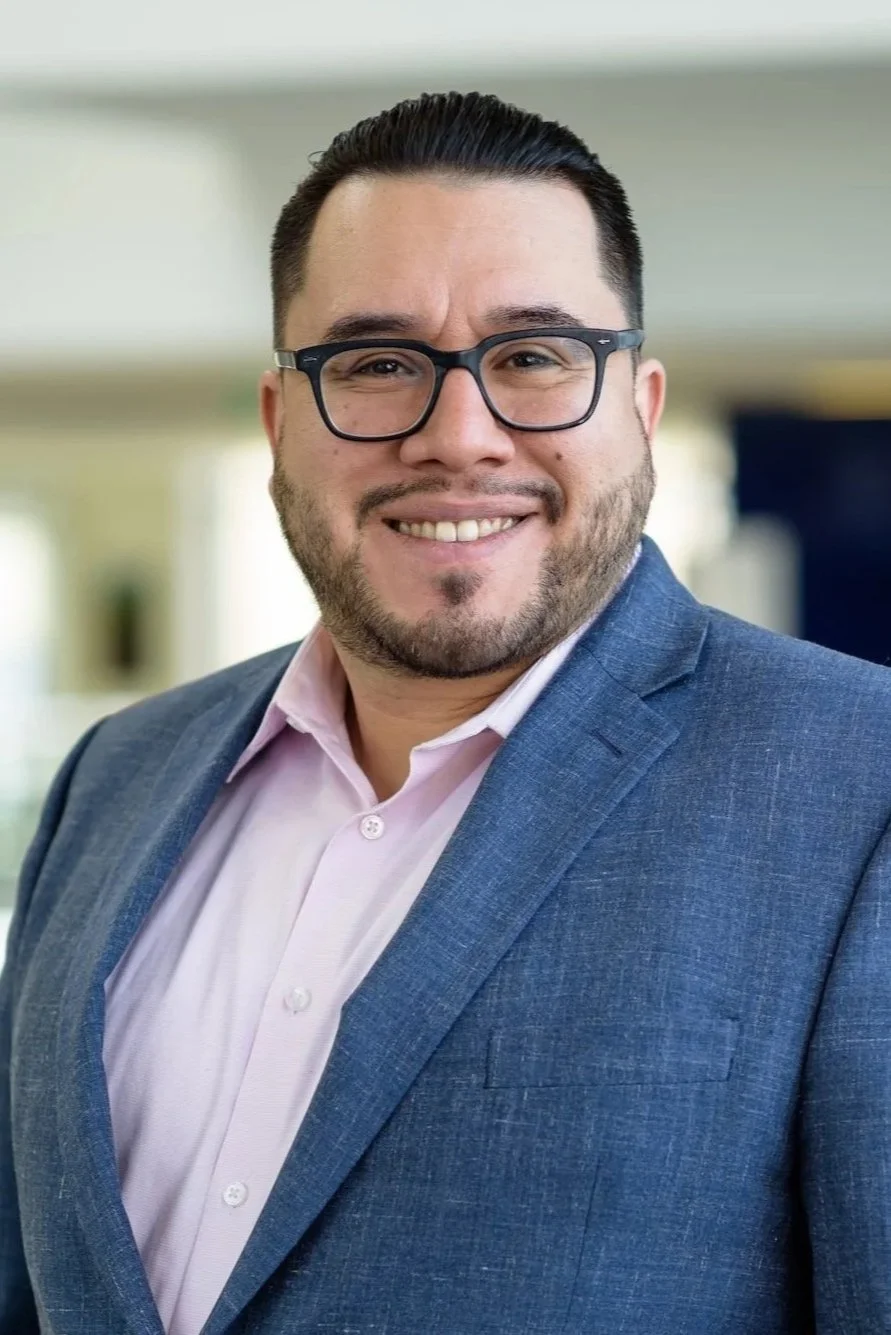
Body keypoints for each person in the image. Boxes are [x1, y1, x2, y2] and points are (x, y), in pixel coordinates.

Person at [2, 89, 890, 1335]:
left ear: (639, 409)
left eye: (533, 357)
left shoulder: (859, 784)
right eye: (376, 365)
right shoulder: (113, 778)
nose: (458, 437)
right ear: (280, 423)